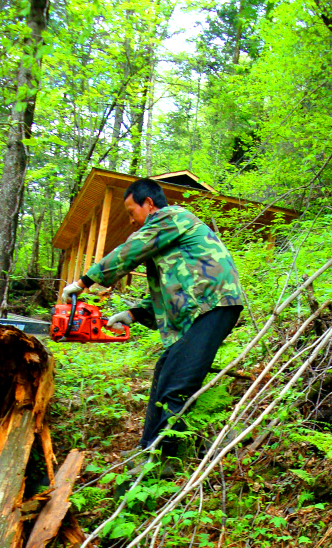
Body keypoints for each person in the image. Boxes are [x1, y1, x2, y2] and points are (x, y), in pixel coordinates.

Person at [62, 178, 245, 463]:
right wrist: (132, 314)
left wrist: (85, 281)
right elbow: (173, 288)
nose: (132, 222)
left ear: (149, 204)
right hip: (203, 306)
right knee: (164, 370)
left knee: (177, 382)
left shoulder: (172, 218)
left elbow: (130, 250)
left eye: (132, 212)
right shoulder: (169, 239)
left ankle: (163, 462)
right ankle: (148, 448)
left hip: (215, 305)